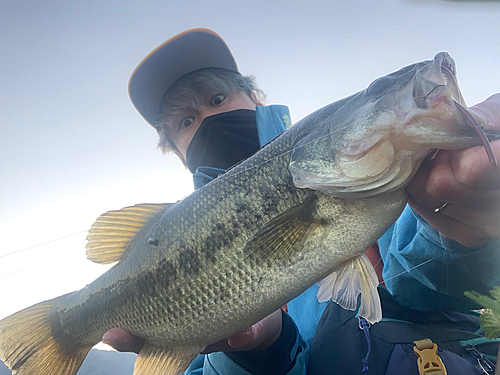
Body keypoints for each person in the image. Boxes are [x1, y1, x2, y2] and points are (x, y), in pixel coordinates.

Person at [102, 28, 500, 374]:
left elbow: (426, 280)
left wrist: (458, 228)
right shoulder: (168, 239)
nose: (207, 118)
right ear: (174, 151)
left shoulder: (366, 178)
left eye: (218, 98)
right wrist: (257, 350)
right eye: (185, 122)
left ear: (256, 97)